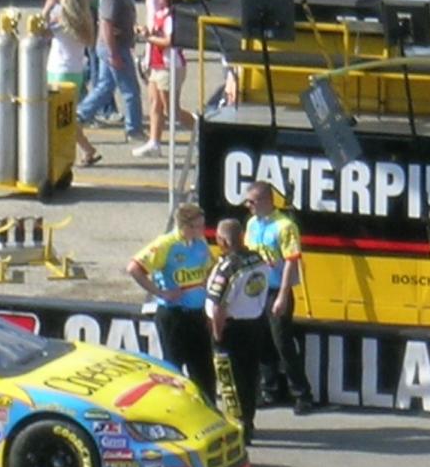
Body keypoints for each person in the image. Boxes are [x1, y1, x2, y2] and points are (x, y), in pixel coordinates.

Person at [126, 202, 215, 404]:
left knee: (204, 369)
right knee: (174, 367)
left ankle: (208, 410)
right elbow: (133, 268)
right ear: (185, 226)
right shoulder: (165, 244)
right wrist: (160, 292)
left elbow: (210, 268)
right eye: (198, 226)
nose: (202, 229)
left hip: (198, 313)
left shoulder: (200, 243)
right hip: (174, 314)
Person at [243, 180, 314, 414]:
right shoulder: (253, 223)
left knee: (282, 342)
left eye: (252, 202)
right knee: (262, 342)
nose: (248, 206)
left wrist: (283, 295)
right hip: (256, 291)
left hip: (276, 290)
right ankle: (269, 389)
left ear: (266, 201)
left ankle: (302, 394)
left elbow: (291, 262)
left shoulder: (284, 226)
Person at [205, 218, 269, 444]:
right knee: (251, 377)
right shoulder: (259, 259)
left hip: (231, 329)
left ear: (221, 240)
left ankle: (238, 429)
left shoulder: (227, 268)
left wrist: (217, 334)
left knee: (230, 381)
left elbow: (218, 306)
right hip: (255, 323)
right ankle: (249, 423)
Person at [76, 0, 145, 142]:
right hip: (114, 47)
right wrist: (114, 54)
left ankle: (81, 113)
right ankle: (134, 128)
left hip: (109, 45)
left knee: (105, 86)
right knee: (130, 89)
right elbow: (106, 23)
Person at [132, 0, 193, 158]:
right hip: (157, 64)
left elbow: (169, 41)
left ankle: (201, 129)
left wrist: (148, 38)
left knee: (171, 110)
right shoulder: (161, 13)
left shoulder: (174, 16)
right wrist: (146, 33)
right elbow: (158, 36)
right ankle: (154, 143)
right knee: (154, 105)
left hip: (170, 65)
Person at [46, 0, 100, 167]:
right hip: (75, 71)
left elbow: (41, 29)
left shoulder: (61, 22)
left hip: (59, 71)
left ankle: (86, 149)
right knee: (66, 115)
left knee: (60, 117)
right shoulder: (83, 21)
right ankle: (84, 149)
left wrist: (48, 6)